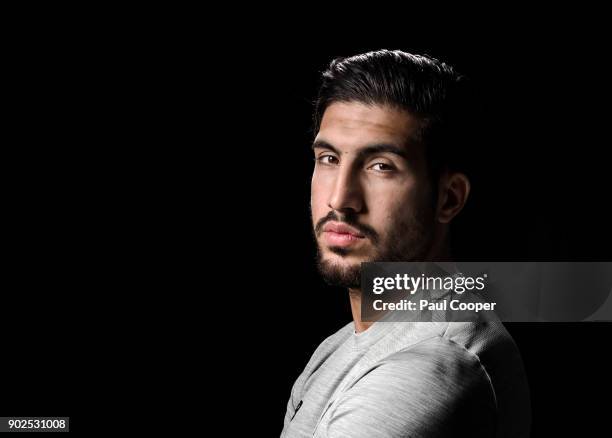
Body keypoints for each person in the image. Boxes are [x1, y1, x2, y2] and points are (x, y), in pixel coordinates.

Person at [280, 50, 531, 438]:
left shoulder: (431, 365)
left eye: (381, 166)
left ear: (448, 198)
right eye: (329, 158)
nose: (340, 198)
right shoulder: (344, 345)